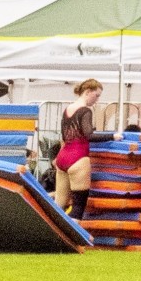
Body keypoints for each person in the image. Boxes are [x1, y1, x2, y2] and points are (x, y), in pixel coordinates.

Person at [52, 79, 101, 220]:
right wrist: (113, 136)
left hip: (63, 156)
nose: (97, 100)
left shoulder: (67, 109)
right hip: (78, 158)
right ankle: (72, 240)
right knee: (78, 206)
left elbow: (63, 135)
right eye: (96, 95)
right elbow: (89, 135)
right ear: (88, 92)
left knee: (58, 206)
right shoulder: (85, 110)